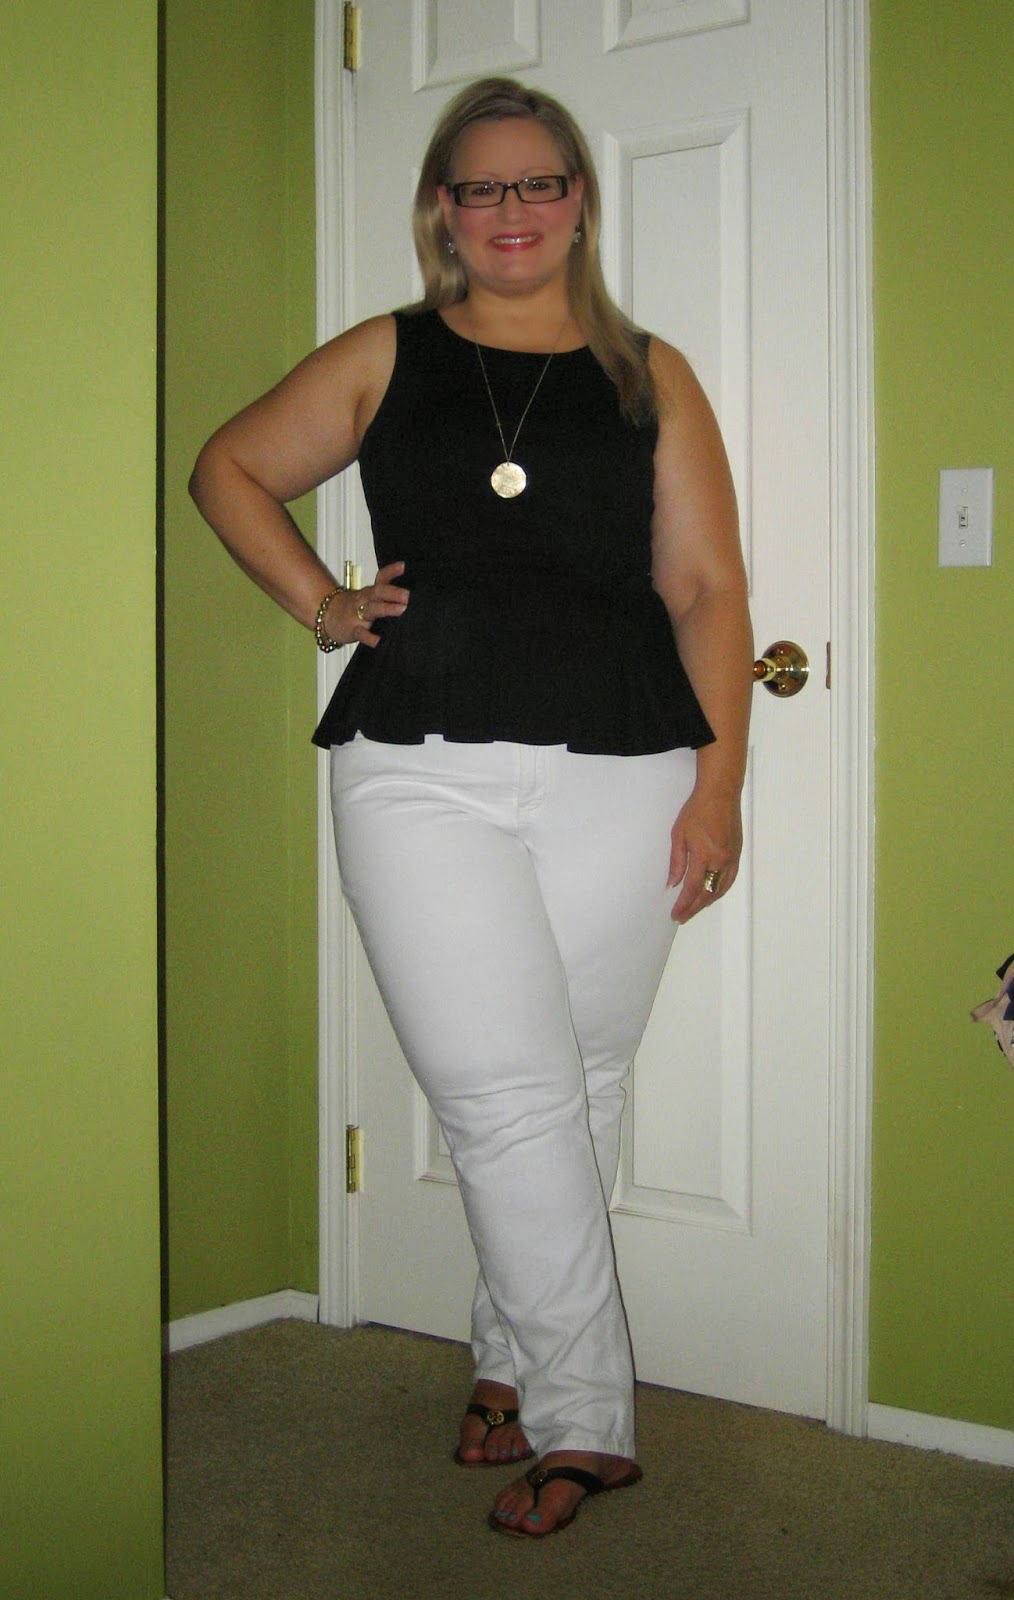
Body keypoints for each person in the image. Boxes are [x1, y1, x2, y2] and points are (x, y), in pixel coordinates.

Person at [190, 75, 752, 1540]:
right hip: (417, 761)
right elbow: (228, 467)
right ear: (442, 209)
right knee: (504, 1096)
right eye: (481, 185)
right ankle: (587, 1419)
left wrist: (720, 787)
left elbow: (706, 588)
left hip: (625, 760)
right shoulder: (389, 354)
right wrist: (323, 603)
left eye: (538, 181)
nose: (512, 209)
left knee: (580, 1080)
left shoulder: (648, 373)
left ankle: (505, 1363)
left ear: (579, 200)